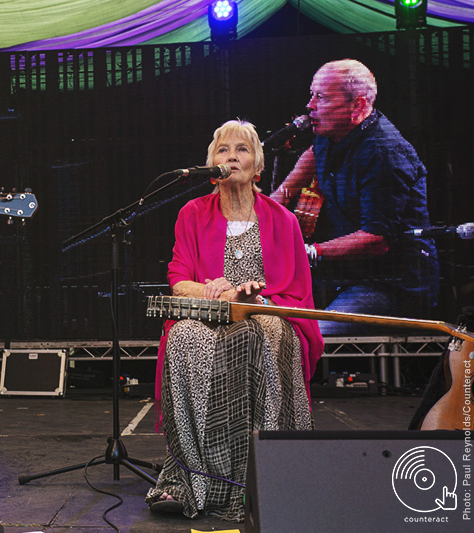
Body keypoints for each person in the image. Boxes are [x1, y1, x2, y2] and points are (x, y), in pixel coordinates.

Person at [146, 120, 324, 521]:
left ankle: (273, 479)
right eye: (223, 151)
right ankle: (189, 478)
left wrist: (255, 299)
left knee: (267, 331)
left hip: (267, 313)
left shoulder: (284, 220)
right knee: (185, 338)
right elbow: (179, 282)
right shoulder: (192, 213)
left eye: (241, 149)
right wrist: (220, 293)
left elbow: (296, 292)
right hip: (210, 317)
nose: (231, 157)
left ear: (257, 164)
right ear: (213, 166)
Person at [271, 59, 439, 335]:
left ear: (358, 106)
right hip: (344, 276)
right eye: (312, 95)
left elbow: (376, 240)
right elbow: (314, 154)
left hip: (391, 285)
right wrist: (280, 196)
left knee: (309, 336)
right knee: (259, 314)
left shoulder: (385, 153)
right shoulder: (331, 131)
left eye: (321, 97)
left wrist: (309, 252)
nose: (309, 105)